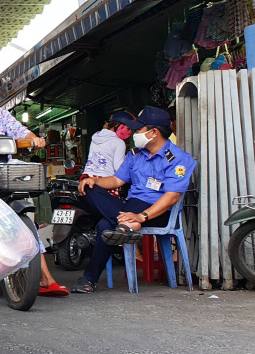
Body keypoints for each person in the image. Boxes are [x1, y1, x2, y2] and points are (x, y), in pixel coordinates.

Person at [72, 106, 196, 294]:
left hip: (159, 211)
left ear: (153, 132)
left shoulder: (178, 159)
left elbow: (171, 197)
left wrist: (141, 217)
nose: (134, 133)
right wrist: (94, 180)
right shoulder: (135, 155)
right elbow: (116, 180)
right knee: (90, 188)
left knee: (105, 225)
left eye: (138, 129)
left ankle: (89, 279)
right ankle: (125, 226)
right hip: (130, 207)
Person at [82, 111, 135, 181]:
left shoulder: (96, 137)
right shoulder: (119, 142)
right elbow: (118, 167)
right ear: (117, 125)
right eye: (128, 129)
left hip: (87, 178)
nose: (130, 133)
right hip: (104, 180)